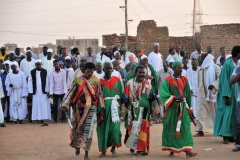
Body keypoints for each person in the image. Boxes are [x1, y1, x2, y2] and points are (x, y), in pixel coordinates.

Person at [61, 62, 99, 160]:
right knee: (77, 128)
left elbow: (99, 95)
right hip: (79, 109)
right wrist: (65, 104)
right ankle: (77, 146)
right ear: (84, 70)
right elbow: (71, 92)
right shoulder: (78, 80)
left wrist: (101, 108)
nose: (90, 74)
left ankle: (86, 154)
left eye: (91, 72)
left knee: (89, 131)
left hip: (91, 109)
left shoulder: (96, 81)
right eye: (88, 71)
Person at [160, 61, 197, 158]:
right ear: (173, 69)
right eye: (178, 68)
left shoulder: (185, 80)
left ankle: (188, 151)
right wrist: (175, 98)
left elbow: (188, 95)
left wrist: (190, 110)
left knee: (185, 128)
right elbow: (163, 94)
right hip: (172, 109)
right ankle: (172, 150)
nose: (181, 70)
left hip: (183, 109)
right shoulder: (168, 80)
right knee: (172, 129)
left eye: (182, 68)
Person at [123, 65, 152, 156]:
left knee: (143, 129)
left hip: (145, 111)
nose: (142, 74)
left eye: (143, 73)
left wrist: (152, 110)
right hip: (133, 110)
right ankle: (133, 145)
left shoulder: (147, 84)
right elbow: (125, 97)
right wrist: (126, 108)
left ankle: (140, 149)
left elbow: (151, 98)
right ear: (136, 73)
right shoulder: (130, 83)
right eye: (140, 72)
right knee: (133, 129)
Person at [97, 61, 123, 157]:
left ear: (113, 69)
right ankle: (103, 151)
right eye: (106, 68)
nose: (109, 70)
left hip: (115, 108)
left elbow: (120, 95)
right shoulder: (100, 82)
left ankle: (113, 148)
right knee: (103, 129)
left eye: (110, 68)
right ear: (103, 70)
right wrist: (101, 109)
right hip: (104, 109)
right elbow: (98, 97)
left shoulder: (117, 80)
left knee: (115, 129)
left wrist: (120, 108)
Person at [214, 46, 240, 143]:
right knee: (226, 114)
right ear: (238, 53)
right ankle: (225, 135)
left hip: (236, 93)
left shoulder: (239, 64)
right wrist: (227, 95)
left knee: (233, 115)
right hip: (227, 93)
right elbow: (224, 80)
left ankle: (230, 135)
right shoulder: (228, 64)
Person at [194, 53, 221, 137]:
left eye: (202, 59)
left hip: (213, 94)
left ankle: (217, 129)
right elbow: (199, 82)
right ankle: (199, 130)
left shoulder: (216, 67)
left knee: (215, 114)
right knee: (200, 112)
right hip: (202, 94)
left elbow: (220, 78)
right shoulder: (201, 69)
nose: (200, 61)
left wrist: (214, 85)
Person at [28, 59, 51, 126]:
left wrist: (47, 90)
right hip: (36, 92)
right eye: (37, 64)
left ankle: (43, 118)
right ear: (35, 65)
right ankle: (37, 118)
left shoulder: (45, 71)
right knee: (36, 105)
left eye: (40, 64)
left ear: (41, 64)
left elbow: (47, 81)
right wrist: (30, 91)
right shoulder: (32, 72)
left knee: (43, 105)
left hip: (43, 91)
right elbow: (30, 82)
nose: (39, 65)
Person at [229, 53, 240, 151]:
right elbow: (231, 81)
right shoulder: (237, 69)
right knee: (239, 122)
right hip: (239, 100)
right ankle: (238, 144)